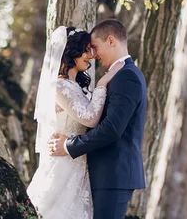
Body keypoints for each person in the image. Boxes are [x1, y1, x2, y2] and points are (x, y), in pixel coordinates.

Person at [48, 19, 147, 219]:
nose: (93, 55)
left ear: (111, 40)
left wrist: (69, 145)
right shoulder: (118, 74)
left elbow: (111, 128)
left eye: (95, 47)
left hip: (113, 174)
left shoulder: (126, 76)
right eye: (89, 49)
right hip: (100, 174)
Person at [27, 25, 124, 218]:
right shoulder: (59, 87)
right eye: (86, 50)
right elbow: (90, 119)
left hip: (80, 163)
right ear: (71, 52)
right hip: (64, 166)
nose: (91, 55)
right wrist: (102, 84)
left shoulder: (77, 87)